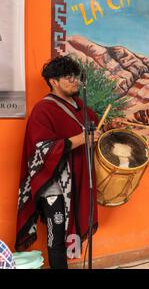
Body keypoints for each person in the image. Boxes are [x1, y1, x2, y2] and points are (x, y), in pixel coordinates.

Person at [15, 55, 101, 269]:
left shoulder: (82, 106)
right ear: (53, 81)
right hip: (53, 184)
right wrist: (80, 140)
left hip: (79, 179)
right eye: (68, 76)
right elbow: (40, 149)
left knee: (69, 231)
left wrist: (102, 131)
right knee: (57, 237)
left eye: (76, 76)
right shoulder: (42, 110)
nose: (75, 80)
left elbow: (95, 129)